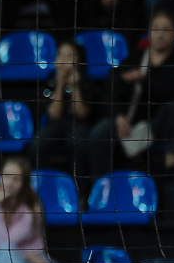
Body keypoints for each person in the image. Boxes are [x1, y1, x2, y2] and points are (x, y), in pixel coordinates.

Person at [114, 9, 174, 174]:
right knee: (99, 132)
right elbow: (114, 86)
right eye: (156, 28)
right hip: (131, 121)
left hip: (159, 123)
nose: (159, 34)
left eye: (165, 29)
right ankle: (100, 180)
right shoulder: (136, 57)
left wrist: (145, 79)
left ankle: (172, 166)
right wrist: (119, 115)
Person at [32, 39, 113, 183]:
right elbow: (54, 115)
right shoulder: (49, 82)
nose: (63, 61)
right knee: (37, 144)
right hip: (56, 125)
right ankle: (41, 185)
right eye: (60, 55)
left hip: (80, 125)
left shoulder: (87, 83)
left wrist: (75, 87)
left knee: (78, 143)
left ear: (79, 61)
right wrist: (60, 84)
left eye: (69, 56)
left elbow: (82, 114)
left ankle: (79, 188)